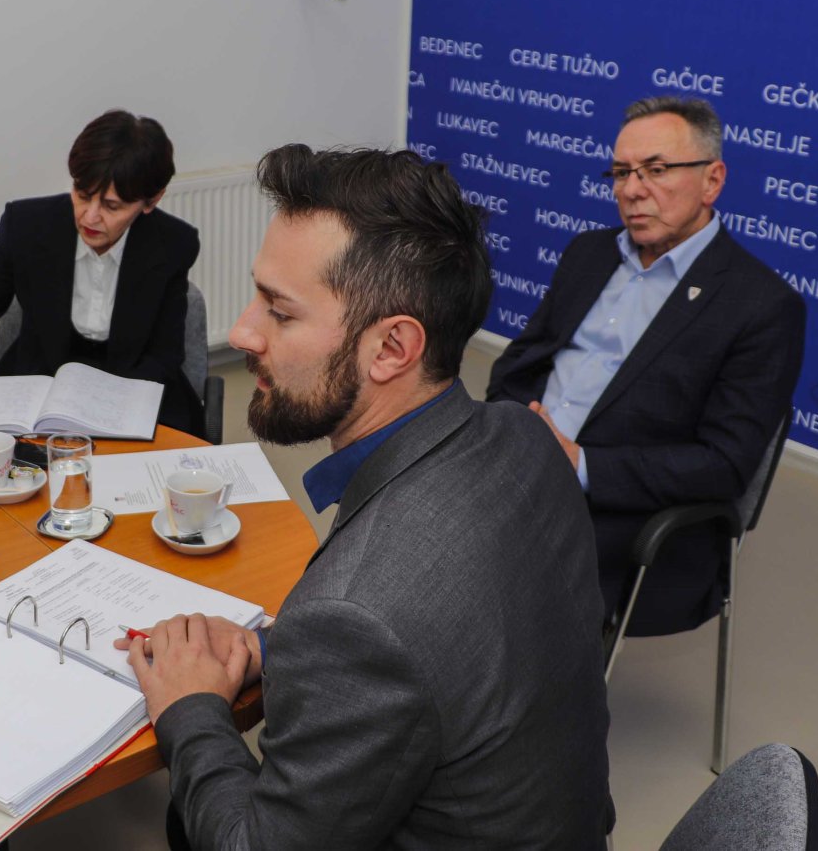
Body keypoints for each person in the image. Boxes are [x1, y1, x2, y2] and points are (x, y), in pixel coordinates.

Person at [119, 146, 612, 849]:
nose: (243, 332)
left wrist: (192, 706)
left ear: (391, 349)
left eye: (280, 312)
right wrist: (270, 646)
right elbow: (442, 639)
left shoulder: (356, 616)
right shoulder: (524, 438)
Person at [487, 96, 806, 635]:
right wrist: (516, 429)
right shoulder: (588, 253)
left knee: (474, 575)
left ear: (712, 180)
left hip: (621, 512)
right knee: (407, 511)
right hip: (521, 463)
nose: (631, 190)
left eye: (656, 170)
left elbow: (724, 464)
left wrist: (579, 465)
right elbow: (519, 364)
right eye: (621, 172)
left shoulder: (762, 307)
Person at [0, 110, 203, 435]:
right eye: (82, 195)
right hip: (39, 394)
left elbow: (164, 357)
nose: (90, 217)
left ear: (151, 201)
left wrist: (98, 407)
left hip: (131, 394)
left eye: (111, 206)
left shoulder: (173, 244)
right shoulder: (28, 227)